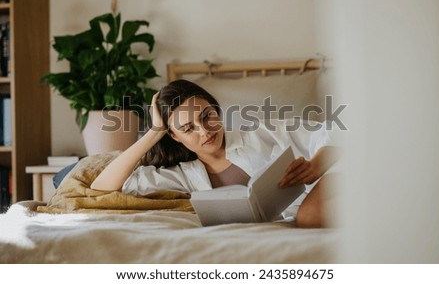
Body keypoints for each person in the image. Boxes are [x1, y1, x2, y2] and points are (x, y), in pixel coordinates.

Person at [91, 79, 338, 228]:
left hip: (337, 177)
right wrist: (154, 132)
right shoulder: (183, 176)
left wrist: (318, 163)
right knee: (308, 218)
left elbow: (339, 131)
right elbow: (103, 186)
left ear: (216, 110)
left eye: (207, 116)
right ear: (174, 135)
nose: (205, 131)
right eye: (188, 128)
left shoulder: (262, 132)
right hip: (320, 209)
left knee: (308, 217)